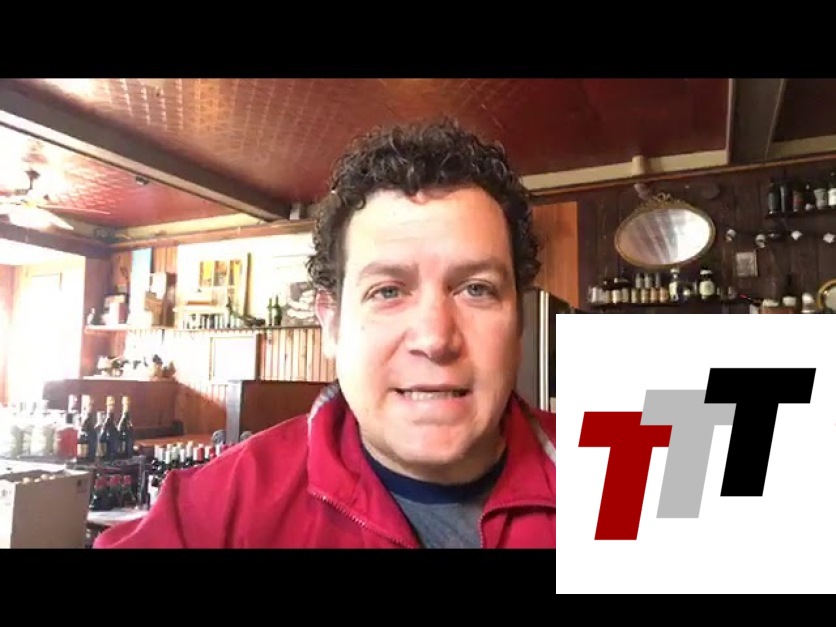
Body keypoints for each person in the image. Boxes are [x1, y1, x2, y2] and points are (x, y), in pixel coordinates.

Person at [93, 117, 556, 549]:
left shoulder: (601, 468)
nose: (435, 339)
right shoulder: (217, 511)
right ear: (331, 325)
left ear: (519, 322)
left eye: (476, 289)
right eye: (388, 291)